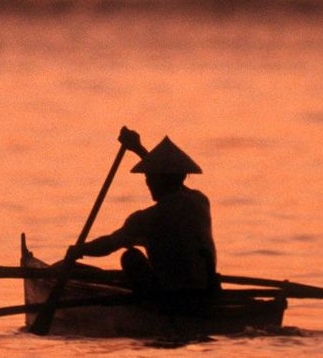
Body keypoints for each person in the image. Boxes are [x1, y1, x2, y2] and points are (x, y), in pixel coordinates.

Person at [67, 127, 220, 313]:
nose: (147, 182)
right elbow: (166, 176)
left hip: (173, 300)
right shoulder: (200, 201)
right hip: (206, 291)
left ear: (155, 180)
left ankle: (153, 310)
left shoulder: (146, 219)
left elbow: (109, 244)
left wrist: (79, 250)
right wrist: (138, 149)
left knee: (130, 257)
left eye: (148, 177)